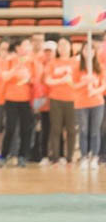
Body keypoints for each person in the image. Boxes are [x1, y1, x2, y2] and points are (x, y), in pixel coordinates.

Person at [0, 38, 35, 167]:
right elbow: (4, 77)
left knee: (26, 129)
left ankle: (22, 156)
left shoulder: (32, 62)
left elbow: (36, 80)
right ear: (18, 48)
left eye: (28, 46)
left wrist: (28, 78)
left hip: (26, 100)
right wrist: (16, 69)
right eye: (25, 45)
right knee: (10, 128)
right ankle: (3, 156)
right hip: (11, 99)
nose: (27, 48)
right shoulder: (10, 60)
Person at [46, 37, 79, 165]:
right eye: (60, 45)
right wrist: (61, 80)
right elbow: (48, 80)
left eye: (65, 45)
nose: (63, 48)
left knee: (71, 130)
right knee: (56, 129)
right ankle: (55, 157)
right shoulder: (53, 62)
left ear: (70, 47)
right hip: (56, 99)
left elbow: (80, 80)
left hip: (73, 100)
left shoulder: (76, 62)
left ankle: (69, 157)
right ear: (57, 49)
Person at [74, 42, 104, 171]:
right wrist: (84, 82)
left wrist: (95, 91)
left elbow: (104, 85)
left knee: (95, 131)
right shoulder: (77, 67)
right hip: (81, 104)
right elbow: (73, 85)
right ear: (82, 51)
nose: (89, 52)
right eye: (86, 49)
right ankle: (84, 157)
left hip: (97, 103)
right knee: (83, 131)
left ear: (94, 52)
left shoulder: (100, 67)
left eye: (91, 49)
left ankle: (94, 158)